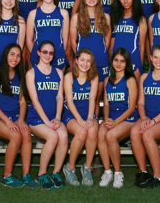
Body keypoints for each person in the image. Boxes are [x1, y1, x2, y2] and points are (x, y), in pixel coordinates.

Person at [0, 43, 37, 188]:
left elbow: (22, 101)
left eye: (18, 56)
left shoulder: (20, 76)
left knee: (26, 133)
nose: (15, 58)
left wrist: (20, 120)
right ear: (6, 55)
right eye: (12, 54)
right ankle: (6, 176)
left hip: (15, 117)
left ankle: (26, 175)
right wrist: (8, 122)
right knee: (15, 135)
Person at [130, 45, 160, 188]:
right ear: (150, 58)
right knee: (134, 132)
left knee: (147, 135)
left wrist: (153, 121)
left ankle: (159, 176)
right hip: (148, 116)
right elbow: (140, 102)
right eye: (155, 57)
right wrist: (144, 118)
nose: (158, 61)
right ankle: (143, 171)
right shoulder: (144, 77)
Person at [26, 41, 67, 189]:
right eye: (45, 52)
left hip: (53, 117)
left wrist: (57, 117)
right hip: (37, 119)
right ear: (38, 52)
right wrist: (47, 122)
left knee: (63, 135)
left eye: (51, 53)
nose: (48, 55)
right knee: (53, 136)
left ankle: (56, 172)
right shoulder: (31, 73)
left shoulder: (59, 73)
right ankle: (41, 174)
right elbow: (35, 99)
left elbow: (59, 97)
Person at [98, 48, 139, 188]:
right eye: (116, 60)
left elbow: (132, 108)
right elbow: (107, 104)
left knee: (110, 136)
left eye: (122, 61)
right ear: (112, 61)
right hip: (113, 118)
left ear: (127, 63)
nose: (119, 64)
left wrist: (115, 122)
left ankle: (118, 173)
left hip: (128, 118)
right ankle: (107, 171)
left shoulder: (130, 80)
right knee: (100, 133)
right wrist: (107, 119)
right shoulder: (107, 80)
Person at [70, 0, 111, 116]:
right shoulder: (77, 18)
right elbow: (72, 41)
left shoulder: (106, 17)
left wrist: (101, 54)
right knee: (82, 96)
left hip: (100, 61)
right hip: (83, 64)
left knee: (96, 97)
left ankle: (94, 124)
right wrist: (81, 59)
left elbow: (107, 41)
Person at [62, 48, 99, 186]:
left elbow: (92, 99)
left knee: (93, 130)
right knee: (81, 131)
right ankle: (70, 168)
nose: (85, 63)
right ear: (76, 61)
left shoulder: (94, 77)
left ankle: (87, 167)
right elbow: (70, 102)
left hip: (87, 113)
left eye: (88, 61)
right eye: (82, 60)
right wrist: (79, 120)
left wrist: (90, 118)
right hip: (72, 115)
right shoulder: (69, 77)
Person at [27, 0, 69, 71]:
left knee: (58, 83)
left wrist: (61, 52)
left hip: (58, 55)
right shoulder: (33, 14)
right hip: (39, 55)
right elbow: (29, 39)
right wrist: (37, 53)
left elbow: (65, 38)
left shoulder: (63, 13)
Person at [110, 0, 147, 82]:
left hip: (133, 60)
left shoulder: (140, 19)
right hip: (116, 62)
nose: (125, 1)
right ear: (118, 0)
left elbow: (142, 46)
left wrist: (140, 65)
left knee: (133, 93)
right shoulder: (115, 18)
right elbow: (112, 43)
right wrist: (111, 61)